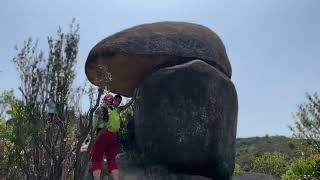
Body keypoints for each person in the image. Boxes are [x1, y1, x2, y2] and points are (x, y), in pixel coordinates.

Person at [91, 90, 137, 180]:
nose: (118, 103)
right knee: (111, 159)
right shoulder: (115, 109)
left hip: (104, 134)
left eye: (119, 101)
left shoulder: (107, 108)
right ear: (113, 100)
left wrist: (134, 97)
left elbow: (95, 122)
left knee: (96, 158)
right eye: (117, 100)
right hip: (113, 136)